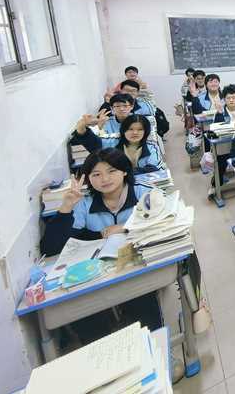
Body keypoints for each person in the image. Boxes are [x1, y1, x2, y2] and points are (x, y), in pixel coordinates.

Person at [40, 149, 162, 338]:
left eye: (111, 171)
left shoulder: (143, 192)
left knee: (142, 302)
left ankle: (151, 343)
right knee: (85, 315)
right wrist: (66, 207)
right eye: (96, 174)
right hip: (97, 275)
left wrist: (126, 227)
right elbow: (50, 248)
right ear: (88, 178)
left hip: (137, 268)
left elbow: (165, 221)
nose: (104, 179)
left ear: (124, 171)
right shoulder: (84, 202)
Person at [71, 113, 164, 175]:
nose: (135, 133)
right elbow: (91, 141)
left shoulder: (151, 146)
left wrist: (122, 172)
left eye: (140, 129)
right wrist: (82, 125)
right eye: (130, 129)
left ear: (146, 132)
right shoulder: (114, 141)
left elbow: (153, 169)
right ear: (123, 130)